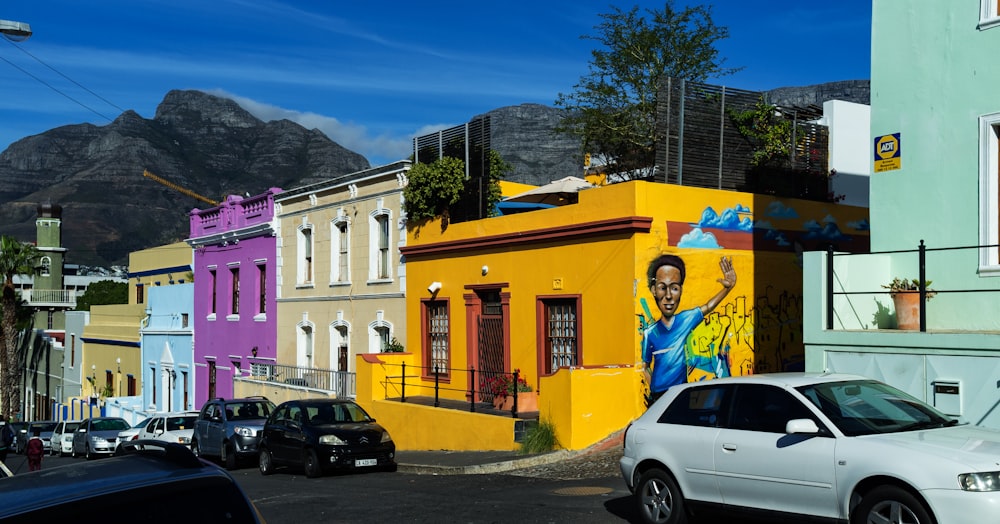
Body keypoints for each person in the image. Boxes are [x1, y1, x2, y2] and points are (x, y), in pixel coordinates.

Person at [641, 254, 736, 406]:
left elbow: (708, 306)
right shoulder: (650, 333)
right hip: (658, 396)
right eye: (662, 288)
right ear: (653, 290)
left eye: (674, 288)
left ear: (681, 290)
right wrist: (653, 390)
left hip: (680, 393)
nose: (668, 296)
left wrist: (728, 288)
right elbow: (645, 366)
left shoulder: (686, 319)